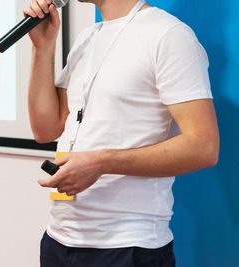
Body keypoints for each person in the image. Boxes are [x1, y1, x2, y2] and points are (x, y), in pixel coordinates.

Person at [25, 0, 220, 266]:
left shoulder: (169, 35)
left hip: (127, 245)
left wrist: (101, 162)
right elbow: (45, 128)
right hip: (59, 239)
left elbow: (203, 147)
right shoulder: (88, 37)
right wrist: (43, 46)